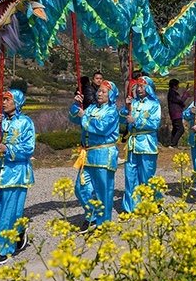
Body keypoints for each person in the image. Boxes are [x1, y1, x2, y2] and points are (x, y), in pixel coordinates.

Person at [0, 89, 35, 265]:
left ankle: (4, 249)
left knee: (7, 214)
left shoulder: (26, 122)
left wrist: (9, 150)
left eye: (7, 100)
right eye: (2, 99)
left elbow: (29, 148)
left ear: (16, 103)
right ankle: (18, 228)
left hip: (16, 172)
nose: (3, 102)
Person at [71, 80, 120, 229]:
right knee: (80, 188)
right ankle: (92, 215)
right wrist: (76, 105)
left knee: (103, 191)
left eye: (104, 91)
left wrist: (84, 117)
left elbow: (102, 128)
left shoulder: (112, 111)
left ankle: (102, 223)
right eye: (99, 90)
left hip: (104, 154)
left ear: (110, 95)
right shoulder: (91, 107)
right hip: (88, 154)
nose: (99, 93)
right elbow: (74, 118)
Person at [119, 76, 161, 213]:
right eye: (138, 86)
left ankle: (155, 203)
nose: (139, 89)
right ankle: (130, 208)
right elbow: (121, 118)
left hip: (147, 143)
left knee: (147, 175)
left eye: (142, 86)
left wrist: (136, 121)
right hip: (132, 144)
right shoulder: (133, 102)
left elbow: (154, 124)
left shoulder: (154, 104)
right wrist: (126, 107)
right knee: (130, 176)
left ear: (148, 88)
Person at [167, 78, 189, 147]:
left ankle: (173, 144)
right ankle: (173, 143)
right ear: (174, 86)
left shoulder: (171, 93)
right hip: (176, 113)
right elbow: (181, 100)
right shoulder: (173, 93)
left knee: (175, 129)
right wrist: (186, 93)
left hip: (174, 113)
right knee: (180, 129)